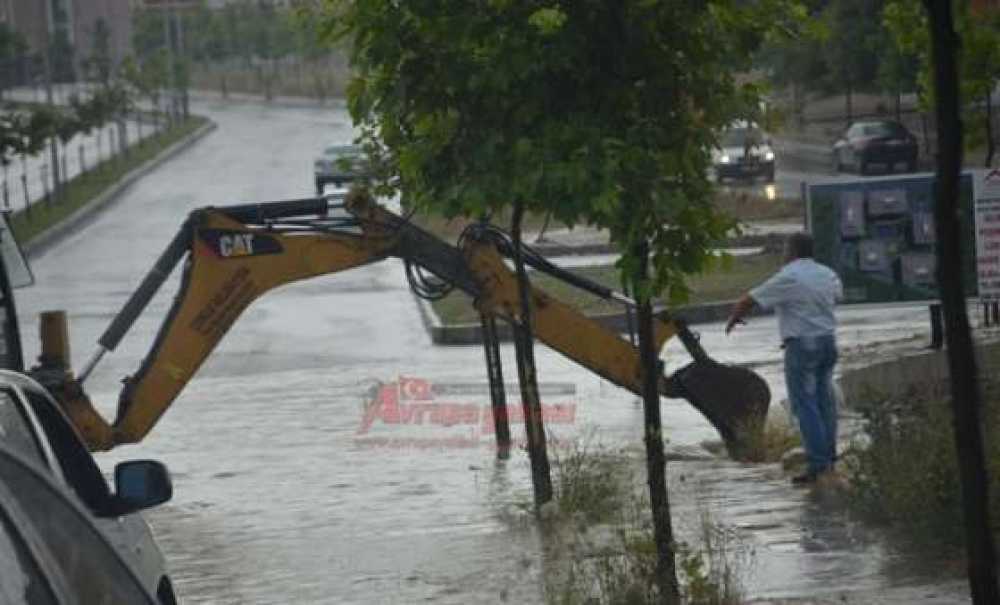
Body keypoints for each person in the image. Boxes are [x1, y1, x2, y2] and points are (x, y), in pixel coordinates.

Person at [725, 232, 843, 486]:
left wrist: (734, 318)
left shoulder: (789, 275)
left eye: (785, 249)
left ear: (792, 251)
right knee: (826, 403)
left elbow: (749, 299)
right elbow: (834, 298)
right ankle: (830, 460)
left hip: (802, 345)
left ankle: (818, 465)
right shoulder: (828, 274)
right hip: (828, 342)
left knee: (804, 405)